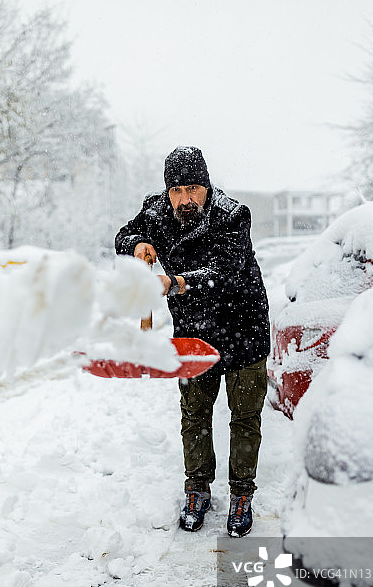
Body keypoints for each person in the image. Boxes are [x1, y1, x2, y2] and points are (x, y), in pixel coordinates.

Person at [115, 146, 270, 537]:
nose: (185, 200)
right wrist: (137, 244)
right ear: (168, 191)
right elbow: (121, 236)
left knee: (244, 417)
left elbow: (225, 273)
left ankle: (241, 494)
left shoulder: (233, 215)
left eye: (193, 189)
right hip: (193, 332)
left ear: (207, 186)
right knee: (195, 415)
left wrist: (175, 282)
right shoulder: (157, 212)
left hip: (243, 327)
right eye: (177, 191)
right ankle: (197, 489)